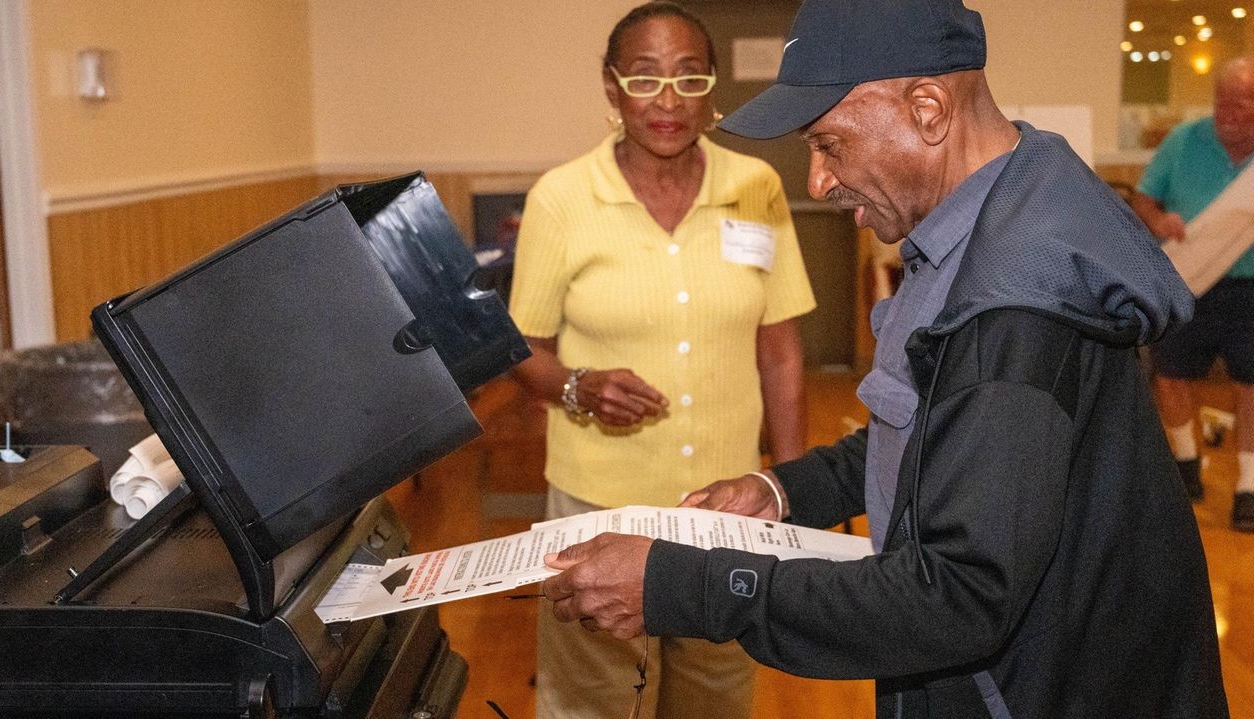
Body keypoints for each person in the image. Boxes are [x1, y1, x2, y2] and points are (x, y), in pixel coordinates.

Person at [539, 1, 1230, 717]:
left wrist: (678, 586)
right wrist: (784, 490)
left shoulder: (1016, 303)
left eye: (830, 145)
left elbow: (958, 594)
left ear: (929, 109)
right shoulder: (985, 215)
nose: (817, 182)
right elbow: (940, 431)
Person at [507, 2, 816, 717]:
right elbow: (523, 349)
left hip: (725, 508)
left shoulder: (756, 189)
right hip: (598, 506)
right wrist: (579, 386)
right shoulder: (562, 199)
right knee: (596, 699)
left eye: (688, 76)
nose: (668, 100)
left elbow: (780, 351)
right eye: (645, 79)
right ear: (612, 88)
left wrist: (791, 491)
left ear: (712, 88)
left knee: (717, 693)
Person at [1131, 56, 1254, 531]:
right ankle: (1185, 471)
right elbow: (1144, 199)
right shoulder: (1184, 141)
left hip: (1250, 288)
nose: (1234, 122)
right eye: (1225, 110)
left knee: (1250, 384)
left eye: (1244, 111)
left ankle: (1247, 487)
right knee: (1171, 373)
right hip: (1189, 279)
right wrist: (1160, 222)